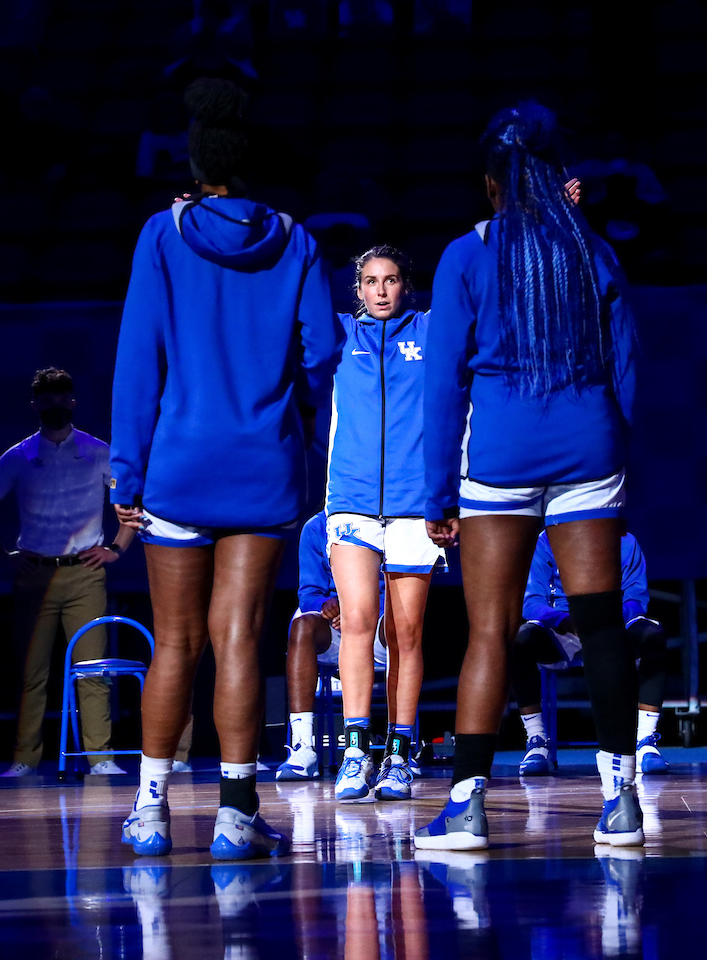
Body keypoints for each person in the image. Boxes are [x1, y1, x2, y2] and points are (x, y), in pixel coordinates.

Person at [111, 78, 340, 860]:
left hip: (178, 465)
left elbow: (138, 363)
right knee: (238, 637)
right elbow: (323, 355)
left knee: (174, 644)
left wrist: (125, 473)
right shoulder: (298, 239)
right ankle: (237, 816)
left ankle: (149, 813)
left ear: (195, 158)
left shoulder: (160, 235)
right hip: (261, 468)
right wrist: (298, 417)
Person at [418, 101, 641, 850]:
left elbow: (442, 384)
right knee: (603, 625)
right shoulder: (592, 248)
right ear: (556, 175)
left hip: (501, 458)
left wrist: (435, 492)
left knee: (488, 631)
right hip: (588, 450)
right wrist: (617, 446)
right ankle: (622, 805)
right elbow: (628, 363)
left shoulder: (467, 253)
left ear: (491, 184)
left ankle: (469, 806)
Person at [0, 367, 135, 778]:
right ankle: (24, 758)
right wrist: (4, 554)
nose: (55, 403)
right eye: (47, 397)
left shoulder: (99, 452)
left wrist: (116, 548)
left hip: (85, 573)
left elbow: (131, 509)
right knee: (31, 670)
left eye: (62, 396)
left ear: (73, 402)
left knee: (94, 667)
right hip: (35, 574)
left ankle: (100, 757)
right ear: (35, 405)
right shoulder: (20, 455)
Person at [326, 244, 445, 802]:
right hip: (351, 501)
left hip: (415, 507)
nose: (380, 290)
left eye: (391, 280)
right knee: (358, 621)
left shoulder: (432, 330)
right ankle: (355, 751)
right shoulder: (339, 339)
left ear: (406, 286)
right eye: (370, 280)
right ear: (357, 289)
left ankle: (398, 755)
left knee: (405, 632)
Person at [511, 529, 669, 776]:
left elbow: (636, 599)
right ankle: (537, 742)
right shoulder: (545, 540)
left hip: (612, 626)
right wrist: (564, 620)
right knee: (521, 640)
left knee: (653, 636)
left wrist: (609, 621)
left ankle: (645, 742)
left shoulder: (625, 541)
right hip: (562, 629)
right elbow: (532, 602)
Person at [275, 509, 386, 782]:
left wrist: (358, 610)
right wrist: (325, 607)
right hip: (336, 629)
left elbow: (399, 589)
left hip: (378, 625)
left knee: (403, 625)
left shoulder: (386, 520)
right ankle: (303, 747)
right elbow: (309, 593)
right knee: (302, 625)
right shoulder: (316, 527)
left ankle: (398, 753)